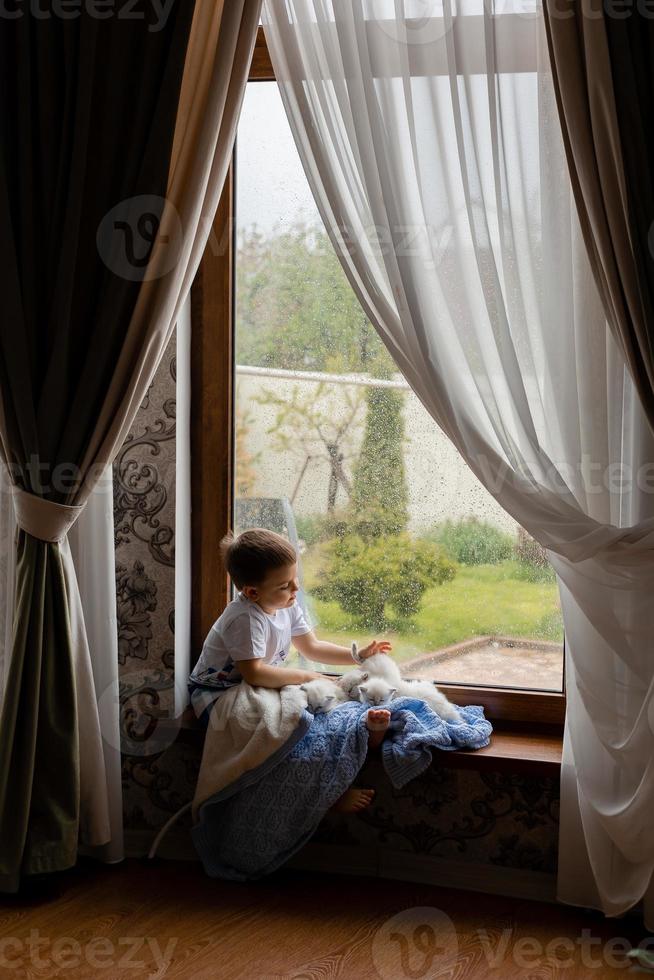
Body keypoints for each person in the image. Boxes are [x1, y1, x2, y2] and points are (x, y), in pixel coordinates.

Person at [187, 527, 393, 813]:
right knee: (283, 731)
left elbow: (311, 647)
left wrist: (356, 656)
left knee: (317, 712)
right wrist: (307, 675)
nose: (295, 589)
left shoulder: (286, 602)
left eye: (294, 579)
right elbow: (255, 673)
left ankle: (361, 739)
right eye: (285, 585)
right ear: (252, 592)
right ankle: (322, 796)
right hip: (218, 693)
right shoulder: (245, 619)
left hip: (254, 685)